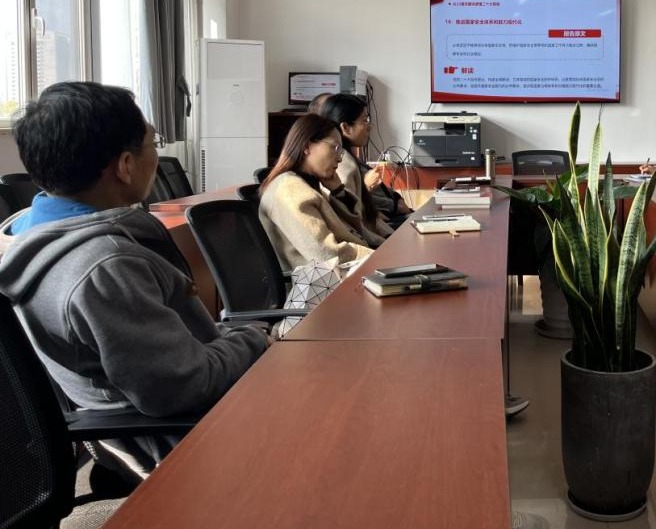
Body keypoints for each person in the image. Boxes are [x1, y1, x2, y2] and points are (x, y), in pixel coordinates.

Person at [0, 81, 270, 484]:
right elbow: (183, 387)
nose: (155, 156)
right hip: (185, 444)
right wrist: (255, 337)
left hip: (155, 427)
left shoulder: (24, 232)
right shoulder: (107, 266)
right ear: (126, 165)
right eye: (152, 144)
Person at [259, 113, 377, 271]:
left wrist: (338, 191)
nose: (339, 159)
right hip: (324, 282)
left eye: (341, 151)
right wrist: (380, 257)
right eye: (335, 148)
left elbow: (353, 229)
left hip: (340, 274)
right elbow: (326, 254)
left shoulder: (305, 184)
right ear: (306, 147)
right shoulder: (290, 190)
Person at [316, 93, 413, 230]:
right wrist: (392, 206)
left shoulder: (351, 158)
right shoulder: (343, 164)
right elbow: (350, 214)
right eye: (365, 120)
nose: (369, 126)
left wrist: (396, 201)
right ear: (345, 128)